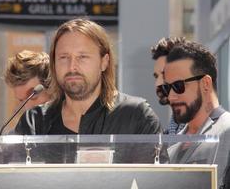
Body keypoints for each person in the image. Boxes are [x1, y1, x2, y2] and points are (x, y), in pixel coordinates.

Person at [10, 18, 166, 164]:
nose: (72, 67)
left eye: (82, 57)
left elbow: (158, 181)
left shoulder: (136, 116)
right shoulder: (35, 122)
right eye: (64, 57)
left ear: (104, 62)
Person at [161, 40, 230, 188]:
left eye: (178, 86)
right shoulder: (171, 145)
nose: (171, 96)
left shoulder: (227, 131)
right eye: (167, 88)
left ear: (205, 84)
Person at [151, 37, 186, 134]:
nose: (158, 83)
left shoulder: (205, 131)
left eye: (164, 74)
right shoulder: (169, 133)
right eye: (156, 76)